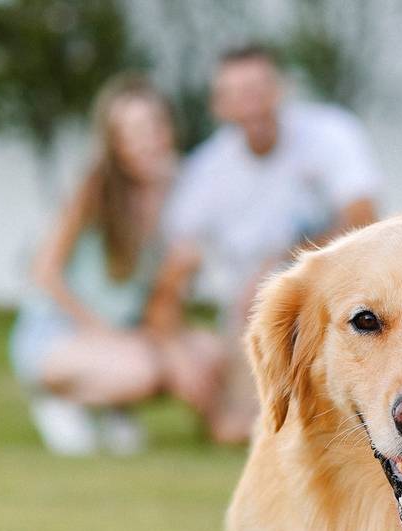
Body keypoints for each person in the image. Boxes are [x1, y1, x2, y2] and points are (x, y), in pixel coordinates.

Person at [161, 44, 383, 443]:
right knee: (232, 431)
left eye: (259, 89)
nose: (251, 104)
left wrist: (279, 267)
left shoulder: (332, 134)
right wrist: (177, 350)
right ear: (219, 106)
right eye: (237, 94)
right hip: (252, 322)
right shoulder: (206, 171)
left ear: (281, 90)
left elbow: (364, 221)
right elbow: (175, 271)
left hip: (338, 304)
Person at [10, 74, 223, 456]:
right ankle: (65, 400)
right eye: (131, 132)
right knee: (147, 369)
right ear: (115, 142)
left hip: (130, 333)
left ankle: (110, 402)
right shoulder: (95, 188)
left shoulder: (183, 187)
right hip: (59, 331)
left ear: (169, 127)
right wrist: (101, 333)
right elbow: (44, 272)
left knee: (210, 353)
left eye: (154, 125)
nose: (147, 141)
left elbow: (170, 289)